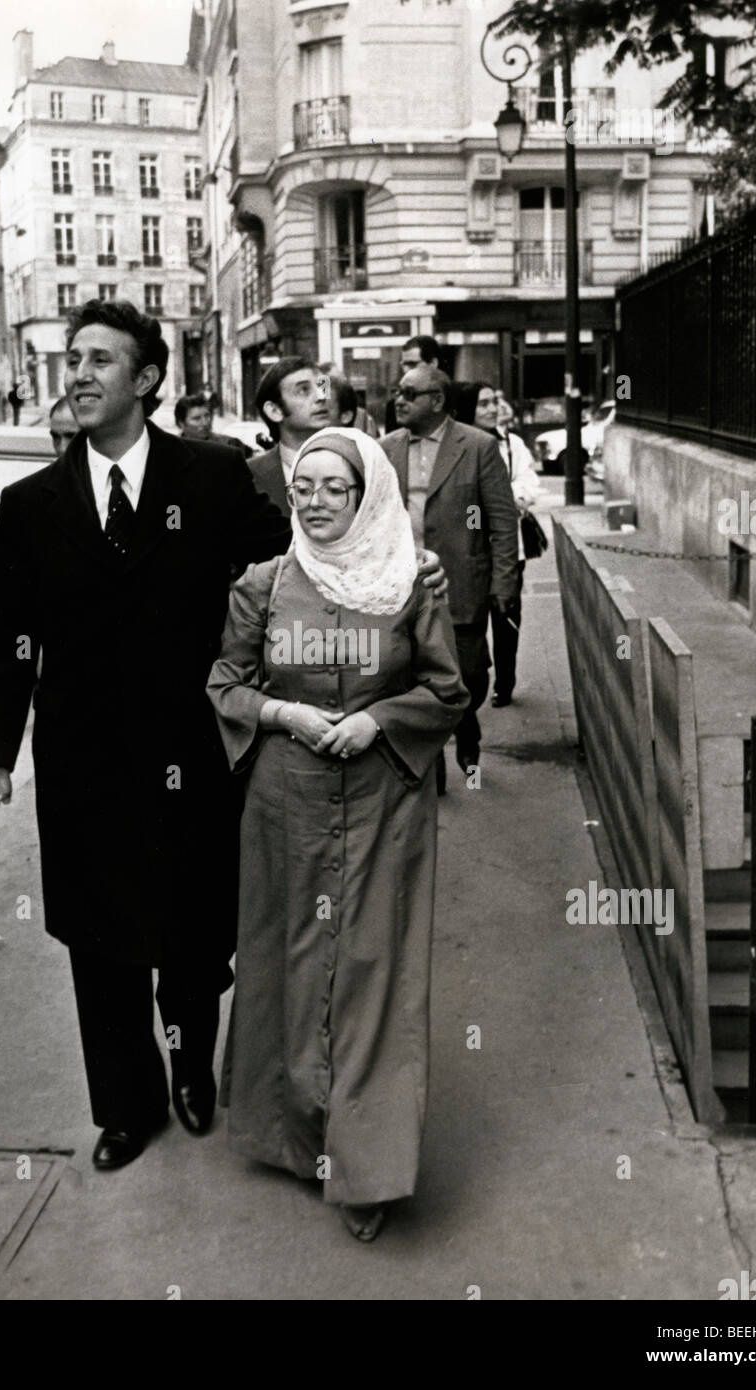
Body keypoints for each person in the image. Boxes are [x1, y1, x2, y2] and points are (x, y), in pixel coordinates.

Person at [0, 299, 294, 1172]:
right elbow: (8, 633)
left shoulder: (215, 477)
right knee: (98, 940)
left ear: (147, 380)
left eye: (100, 360)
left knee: (191, 931)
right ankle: (124, 1104)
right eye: (72, 359)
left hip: (193, 751)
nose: (77, 374)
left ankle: (192, 1068)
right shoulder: (33, 505)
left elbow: (283, 574)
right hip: (83, 763)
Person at [207, 427, 468, 1243]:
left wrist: (380, 722)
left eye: (334, 488)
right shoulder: (262, 582)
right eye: (304, 488)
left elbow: (447, 690)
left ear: (367, 495)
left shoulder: (409, 582)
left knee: (372, 975)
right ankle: (296, 1137)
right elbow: (225, 681)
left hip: (385, 801)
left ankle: (368, 1174)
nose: (315, 503)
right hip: (285, 803)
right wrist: (280, 712)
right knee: (288, 963)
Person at [381, 364, 519, 783]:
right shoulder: (386, 448)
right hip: (403, 587)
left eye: (409, 393)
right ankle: (433, 759)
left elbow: (501, 521)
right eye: (397, 393)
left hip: (462, 585)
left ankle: (465, 723)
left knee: (472, 678)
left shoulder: (477, 446)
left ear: (437, 400)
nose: (398, 401)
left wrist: (503, 584)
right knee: (412, 679)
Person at [471, 384, 542, 706]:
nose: (491, 408)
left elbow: (528, 484)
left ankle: (505, 683)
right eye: (483, 403)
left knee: (507, 619)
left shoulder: (512, 445)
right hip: (470, 549)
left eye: (494, 401)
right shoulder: (459, 446)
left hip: (509, 547)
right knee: (470, 623)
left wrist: (500, 498)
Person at [247, 358, 332, 513]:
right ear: (274, 411)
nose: (321, 397)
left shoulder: (359, 463)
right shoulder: (248, 476)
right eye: (303, 390)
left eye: (322, 386)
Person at [174, 392, 254, 458]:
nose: (205, 422)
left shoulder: (229, 444)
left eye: (207, 416)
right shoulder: (172, 450)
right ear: (181, 423)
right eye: (197, 419)